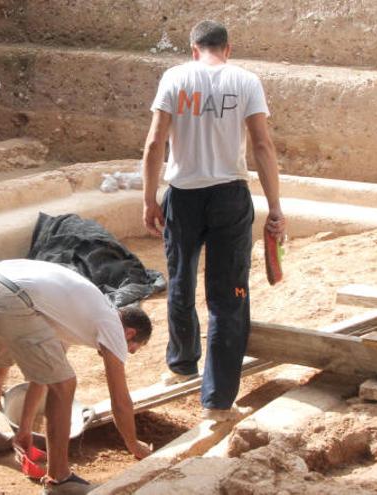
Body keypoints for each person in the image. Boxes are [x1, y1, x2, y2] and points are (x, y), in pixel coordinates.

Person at [141, 20, 286, 421]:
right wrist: (275, 206)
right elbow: (262, 144)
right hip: (229, 196)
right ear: (228, 48)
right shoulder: (245, 81)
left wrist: (149, 198)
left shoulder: (174, 78)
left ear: (193, 49)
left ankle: (182, 365)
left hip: (183, 196)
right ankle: (218, 402)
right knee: (228, 296)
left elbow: (155, 142)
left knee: (181, 279)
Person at [0, 259, 153, 495]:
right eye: (132, 349)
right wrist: (133, 444)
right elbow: (120, 401)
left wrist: (24, 428)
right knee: (65, 384)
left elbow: (42, 377)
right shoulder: (113, 328)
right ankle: (60, 479)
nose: (126, 353)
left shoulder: (76, 314)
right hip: (13, 298)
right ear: (130, 333)